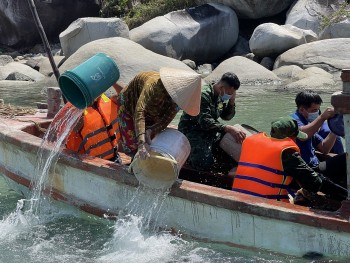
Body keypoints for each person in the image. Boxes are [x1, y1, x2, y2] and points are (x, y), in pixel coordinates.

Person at [232, 116, 348, 202]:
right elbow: (314, 182)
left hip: (239, 194)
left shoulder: (252, 143)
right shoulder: (286, 151)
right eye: (295, 137)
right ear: (290, 137)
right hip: (267, 202)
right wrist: (345, 195)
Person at [110, 67, 202, 160]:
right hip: (130, 104)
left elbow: (165, 121)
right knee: (134, 144)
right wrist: (141, 143)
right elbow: (140, 111)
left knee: (151, 142)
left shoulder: (178, 100)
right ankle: (126, 152)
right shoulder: (154, 85)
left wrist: (151, 130)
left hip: (153, 112)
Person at [178, 72, 246, 173]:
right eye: (230, 93)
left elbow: (226, 117)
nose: (230, 95)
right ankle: (188, 158)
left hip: (210, 130)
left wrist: (232, 102)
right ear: (222, 87)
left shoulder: (220, 95)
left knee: (232, 142)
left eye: (232, 93)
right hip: (192, 131)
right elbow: (205, 121)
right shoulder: (203, 95)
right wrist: (227, 128)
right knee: (203, 163)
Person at [290, 90, 347, 187]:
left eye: (318, 110)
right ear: (301, 110)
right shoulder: (292, 121)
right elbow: (302, 135)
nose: (317, 113)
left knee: (346, 158)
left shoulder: (308, 123)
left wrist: (335, 127)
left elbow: (325, 148)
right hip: (305, 171)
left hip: (316, 167)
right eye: (314, 110)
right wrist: (322, 117)